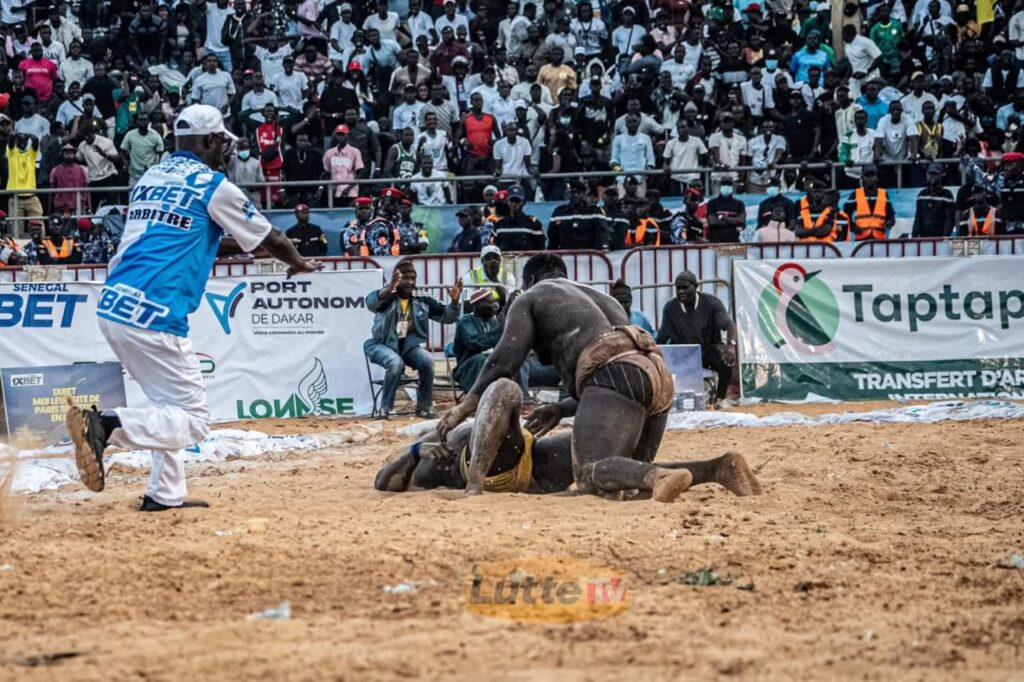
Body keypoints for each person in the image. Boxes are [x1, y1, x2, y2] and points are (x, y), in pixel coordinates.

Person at [65, 104, 321, 511]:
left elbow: (194, 233)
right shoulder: (212, 184)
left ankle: (164, 495)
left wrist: (248, 248)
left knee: (170, 409)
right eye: (221, 141)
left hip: (114, 306)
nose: (225, 149)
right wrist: (299, 262)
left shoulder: (151, 177)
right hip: (155, 313)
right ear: (208, 140)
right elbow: (272, 236)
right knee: (194, 421)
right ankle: (107, 426)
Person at [437, 254, 695, 502]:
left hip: (615, 373)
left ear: (530, 280)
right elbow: (621, 380)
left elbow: (504, 360)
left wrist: (465, 405)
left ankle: (660, 476)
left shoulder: (532, 296)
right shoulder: (603, 299)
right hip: (658, 373)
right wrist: (562, 408)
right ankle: (720, 469)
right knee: (626, 474)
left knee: (588, 474)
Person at [376, 377, 761, 497]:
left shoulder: (438, 436)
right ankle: (474, 488)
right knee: (506, 389)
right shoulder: (423, 463)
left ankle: (717, 468)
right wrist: (414, 451)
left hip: (533, 458)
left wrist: (562, 408)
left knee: (596, 461)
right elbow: (382, 482)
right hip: (490, 469)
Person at [364, 261, 462, 419]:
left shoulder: (422, 297)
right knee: (396, 362)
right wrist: (388, 289)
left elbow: (447, 317)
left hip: (408, 347)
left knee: (428, 360)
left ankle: (424, 407)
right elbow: (370, 303)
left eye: (413, 278)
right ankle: (386, 409)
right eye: (406, 278)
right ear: (397, 278)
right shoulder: (389, 295)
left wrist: (455, 302)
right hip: (380, 344)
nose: (410, 282)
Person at [656, 271, 736, 407]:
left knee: (725, 360)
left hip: (708, 350)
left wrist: (731, 345)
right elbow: (662, 337)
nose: (681, 291)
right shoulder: (670, 308)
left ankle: (721, 399)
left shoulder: (712, 303)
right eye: (678, 288)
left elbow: (729, 325)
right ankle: (669, 401)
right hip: (683, 354)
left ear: (696, 287)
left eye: (685, 287)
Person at [452, 288, 503, 392]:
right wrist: (499, 331)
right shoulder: (465, 321)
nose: (494, 305)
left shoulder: (493, 322)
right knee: (481, 359)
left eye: (494, 301)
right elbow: (475, 343)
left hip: (489, 363)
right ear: (478, 305)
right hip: (467, 368)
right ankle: (475, 398)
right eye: (490, 302)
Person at [546, 180, 609, 250]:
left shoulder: (595, 211)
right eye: (573, 192)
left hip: (590, 256)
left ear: (584, 194)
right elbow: (552, 236)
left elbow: (602, 233)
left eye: (578, 192)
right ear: (569, 193)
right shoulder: (559, 212)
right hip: (565, 255)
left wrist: (602, 248)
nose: (575, 195)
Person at [843, 164, 895, 240]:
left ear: (877, 178)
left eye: (872, 175)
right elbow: (845, 215)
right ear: (862, 178)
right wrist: (853, 227)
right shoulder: (855, 194)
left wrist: (889, 222)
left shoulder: (883, 194)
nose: (870, 178)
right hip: (861, 240)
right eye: (867, 176)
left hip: (879, 239)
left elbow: (891, 215)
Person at [492, 184, 545, 251]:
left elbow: (541, 249)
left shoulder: (533, 224)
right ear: (508, 202)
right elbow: (494, 248)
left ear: (523, 202)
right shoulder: (499, 224)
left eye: (517, 201)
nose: (514, 204)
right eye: (512, 200)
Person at [120, 112, 165, 188]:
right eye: (140, 120)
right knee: (132, 197)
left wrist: (158, 166)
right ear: (137, 121)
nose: (143, 122)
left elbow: (160, 151)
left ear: (148, 121)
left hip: (150, 174)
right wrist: (125, 163)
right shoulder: (130, 134)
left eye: (145, 120)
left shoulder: (155, 135)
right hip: (134, 175)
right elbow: (122, 150)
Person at [323, 124, 365, 205]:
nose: (340, 137)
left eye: (342, 134)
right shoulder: (329, 153)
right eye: (338, 134)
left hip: (350, 192)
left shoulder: (355, 152)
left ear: (347, 135)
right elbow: (326, 172)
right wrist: (330, 187)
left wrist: (348, 188)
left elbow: (360, 172)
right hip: (334, 191)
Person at [911, 163, 957, 238]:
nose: (932, 176)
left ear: (942, 175)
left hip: (940, 238)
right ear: (927, 175)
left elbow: (950, 219)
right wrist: (914, 236)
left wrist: (945, 237)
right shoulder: (922, 195)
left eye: (935, 174)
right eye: (930, 173)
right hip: (923, 238)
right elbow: (918, 218)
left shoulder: (947, 195)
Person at [7, 131, 43, 224]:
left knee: (38, 226)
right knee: (16, 232)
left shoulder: (31, 154)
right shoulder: (12, 153)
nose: (22, 142)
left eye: (25, 140)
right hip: (16, 198)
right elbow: (11, 137)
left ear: (27, 142)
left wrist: (28, 135)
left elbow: (35, 140)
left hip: (31, 197)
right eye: (20, 140)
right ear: (16, 141)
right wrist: (16, 134)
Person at [705, 178, 746, 243]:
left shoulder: (739, 204)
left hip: (733, 241)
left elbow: (741, 220)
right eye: (724, 184)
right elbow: (712, 221)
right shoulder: (712, 203)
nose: (726, 187)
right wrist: (733, 223)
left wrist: (722, 218)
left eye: (729, 185)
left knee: (739, 253)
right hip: (715, 241)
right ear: (720, 187)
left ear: (732, 188)